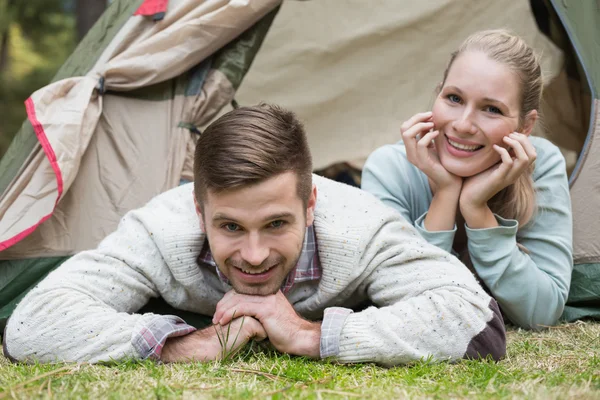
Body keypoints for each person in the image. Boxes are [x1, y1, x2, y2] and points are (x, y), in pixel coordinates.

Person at [4, 104, 505, 365]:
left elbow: (477, 323)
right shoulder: (160, 228)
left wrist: (313, 336)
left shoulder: (361, 225)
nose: (254, 254)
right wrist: (189, 346)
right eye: (229, 226)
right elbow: (30, 327)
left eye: (276, 224)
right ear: (199, 212)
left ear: (310, 206)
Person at [362, 30, 573, 330]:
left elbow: (543, 312)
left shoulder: (541, 164)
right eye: (454, 98)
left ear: (525, 126)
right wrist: (446, 194)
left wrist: (476, 209)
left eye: (491, 109)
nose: (462, 124)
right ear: (437, 94)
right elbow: (402, 302)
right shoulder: (388, 169)